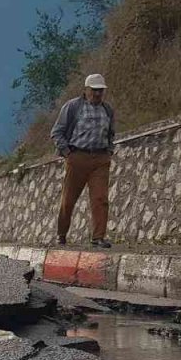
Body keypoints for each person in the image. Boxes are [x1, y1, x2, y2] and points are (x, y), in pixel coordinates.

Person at [50, 73, 116, 249]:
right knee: (68, 200)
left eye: (100, 90)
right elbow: (57, 132)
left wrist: (109, 151)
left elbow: (111, 133)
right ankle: (61, 234)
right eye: (94, 90)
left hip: (100, 159)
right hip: (77, 157)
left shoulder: (107, 110)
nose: (97, 94)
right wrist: (67, 153)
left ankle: (98, 237)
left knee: (100, 198)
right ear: (86, 90)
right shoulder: (73, 107)